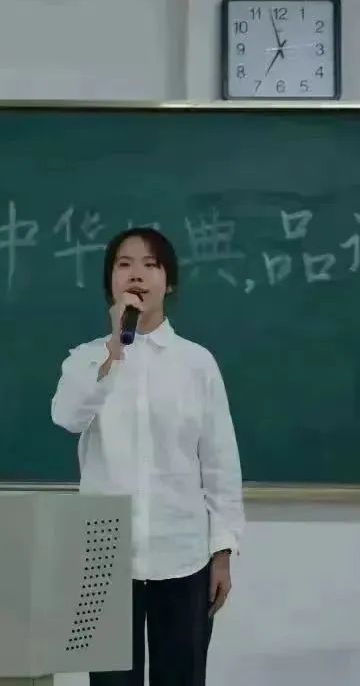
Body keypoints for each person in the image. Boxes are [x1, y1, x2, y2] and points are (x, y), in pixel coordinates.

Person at [50, 227, 244, 686]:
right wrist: (114, 350)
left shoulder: (196, 364)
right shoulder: (86, 359)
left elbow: (220, 463)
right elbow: (67, 416)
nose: (136, 274)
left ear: (168, 282)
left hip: (183, 554)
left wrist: (222, 552)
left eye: (150, 265)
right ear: (110, 282)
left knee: (181, 676)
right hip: (106, 556)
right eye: (124, 264)